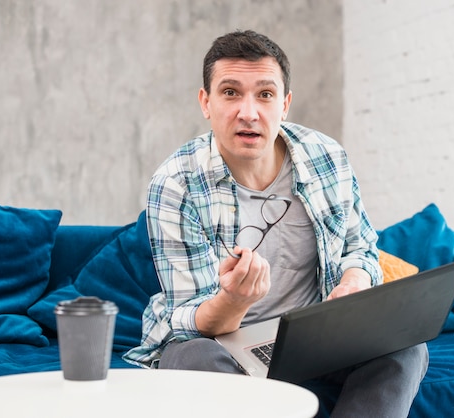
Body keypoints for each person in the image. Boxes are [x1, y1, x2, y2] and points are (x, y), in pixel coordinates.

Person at [124, 29, 428, 417]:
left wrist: (353, 283)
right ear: (206, 102)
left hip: (316, 337)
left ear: (284, 105)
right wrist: (235, 300)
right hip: (223, 345)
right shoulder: (175, 184)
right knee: (189, 361)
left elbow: (359, 247)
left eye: (264, 95)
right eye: (230, 92)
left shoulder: (327, 157)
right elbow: (189, 317)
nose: (248, 112)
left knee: (405, 347)